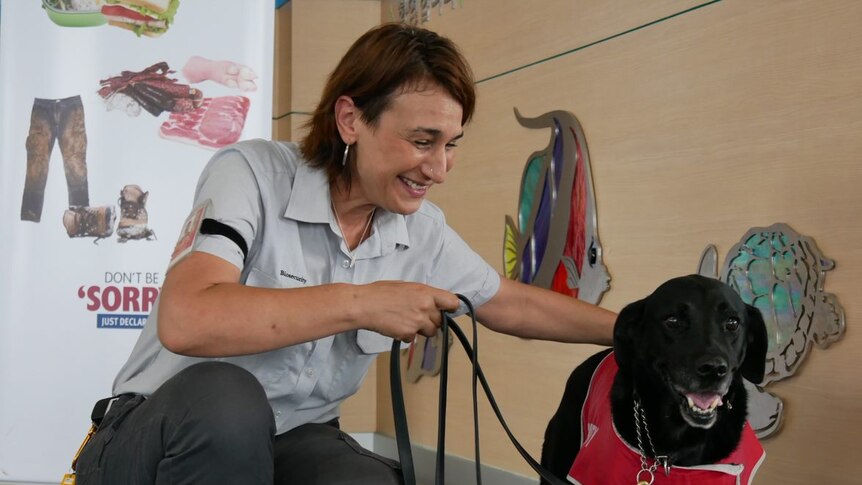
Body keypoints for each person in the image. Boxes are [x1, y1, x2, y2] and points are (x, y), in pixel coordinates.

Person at [75, 22, 616, 485]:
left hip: (287, 444)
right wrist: (361, 302)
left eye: (450, 145)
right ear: (351, 119)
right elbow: (187, 320)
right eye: (423, 141)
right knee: (227, 400)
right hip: (156, 437)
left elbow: (513, 305)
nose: (439, 169)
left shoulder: (422, 231)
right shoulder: (251, 175)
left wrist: (638, 330)